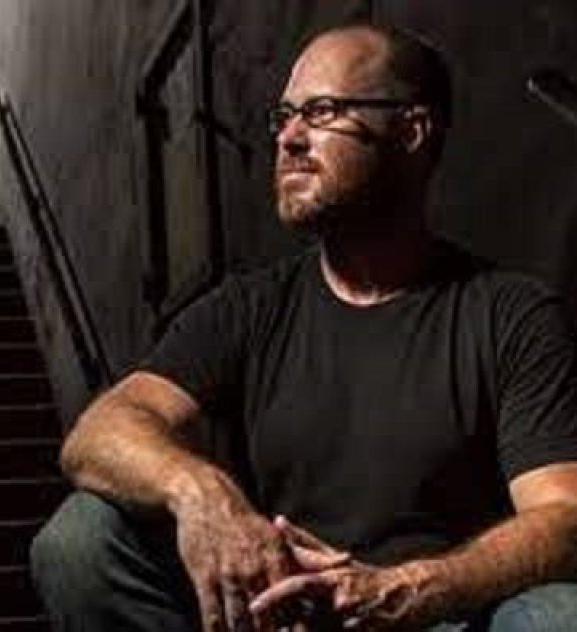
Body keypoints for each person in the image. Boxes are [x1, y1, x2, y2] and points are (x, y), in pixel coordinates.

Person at [30, 22, 577, 631]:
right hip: (280, 614)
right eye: (285, 116)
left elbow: (565, 517)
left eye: (322, 112)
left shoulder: (510, 312)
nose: (289, 138)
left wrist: (409, 588)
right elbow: (98, 433)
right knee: (81, 541)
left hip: (434, 615)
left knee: (560, 614)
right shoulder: (248, 307)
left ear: (411, 131)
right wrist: (201, 493)